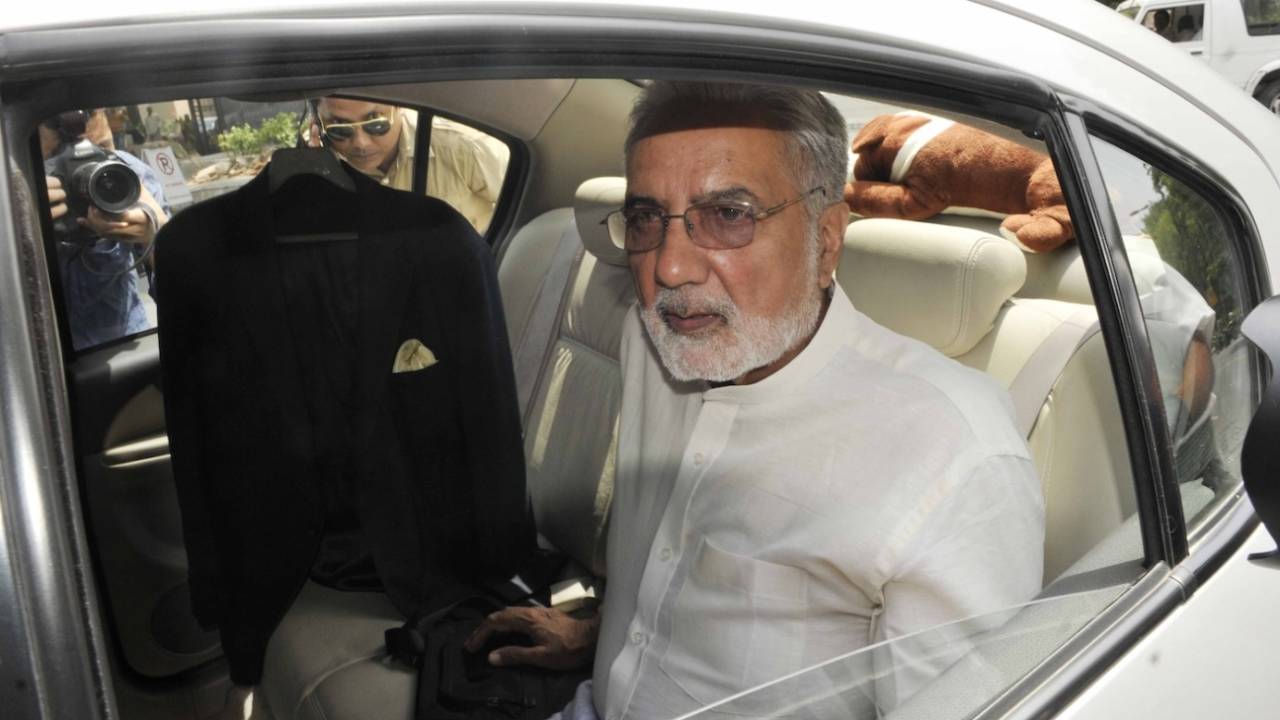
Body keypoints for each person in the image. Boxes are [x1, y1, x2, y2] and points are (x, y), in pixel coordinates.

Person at [465, 81, 1044, 718]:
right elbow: (680, 579)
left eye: (728, 214)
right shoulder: (654, 339)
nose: (669, 268)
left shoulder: (952, 451)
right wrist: (599, 635)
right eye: (647, 218)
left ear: (826, 240)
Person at [42, 108, 171, 351]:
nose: (90, 167)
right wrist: (20, 222)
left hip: (126, 344)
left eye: (101, 149)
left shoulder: (127, 171)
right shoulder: (12, 187)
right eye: (57, 158)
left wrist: (155, 233)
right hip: (39, 356)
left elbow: (184, 294)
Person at [310, 96, 509, 233]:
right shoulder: (324, 166)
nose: (361, 143)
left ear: (400, 107)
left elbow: (525, 215)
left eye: (375, 122)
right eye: (340, 127)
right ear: (318, 124)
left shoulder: (463, 148)